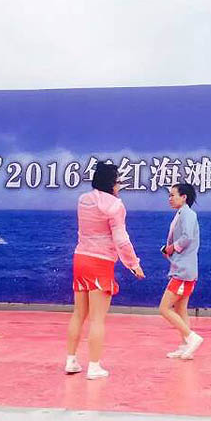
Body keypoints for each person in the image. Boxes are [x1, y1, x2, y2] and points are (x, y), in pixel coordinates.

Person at [65, 161, 145, 379]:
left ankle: (71, 360)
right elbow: (121, 239)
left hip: (80, 259)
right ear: (111, 183)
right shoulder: (115, 206)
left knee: (78, 314)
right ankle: (94, 366)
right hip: (100, 262)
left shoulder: (83, 200)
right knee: (97, 319)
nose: (119, 186)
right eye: (118, 181)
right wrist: (134, 264)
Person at [158, 183, 203, 360]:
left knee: (164, 308)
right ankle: (186, 346)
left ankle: (192, 338)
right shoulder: (181, 214)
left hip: (183, 271)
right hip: (183, 268)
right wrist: (170, 251)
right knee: (180, 308)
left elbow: (187, 237)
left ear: (184, 197)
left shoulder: (188, 214)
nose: (170, 198)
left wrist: (171, 248)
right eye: (169, 195)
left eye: (173, 195)